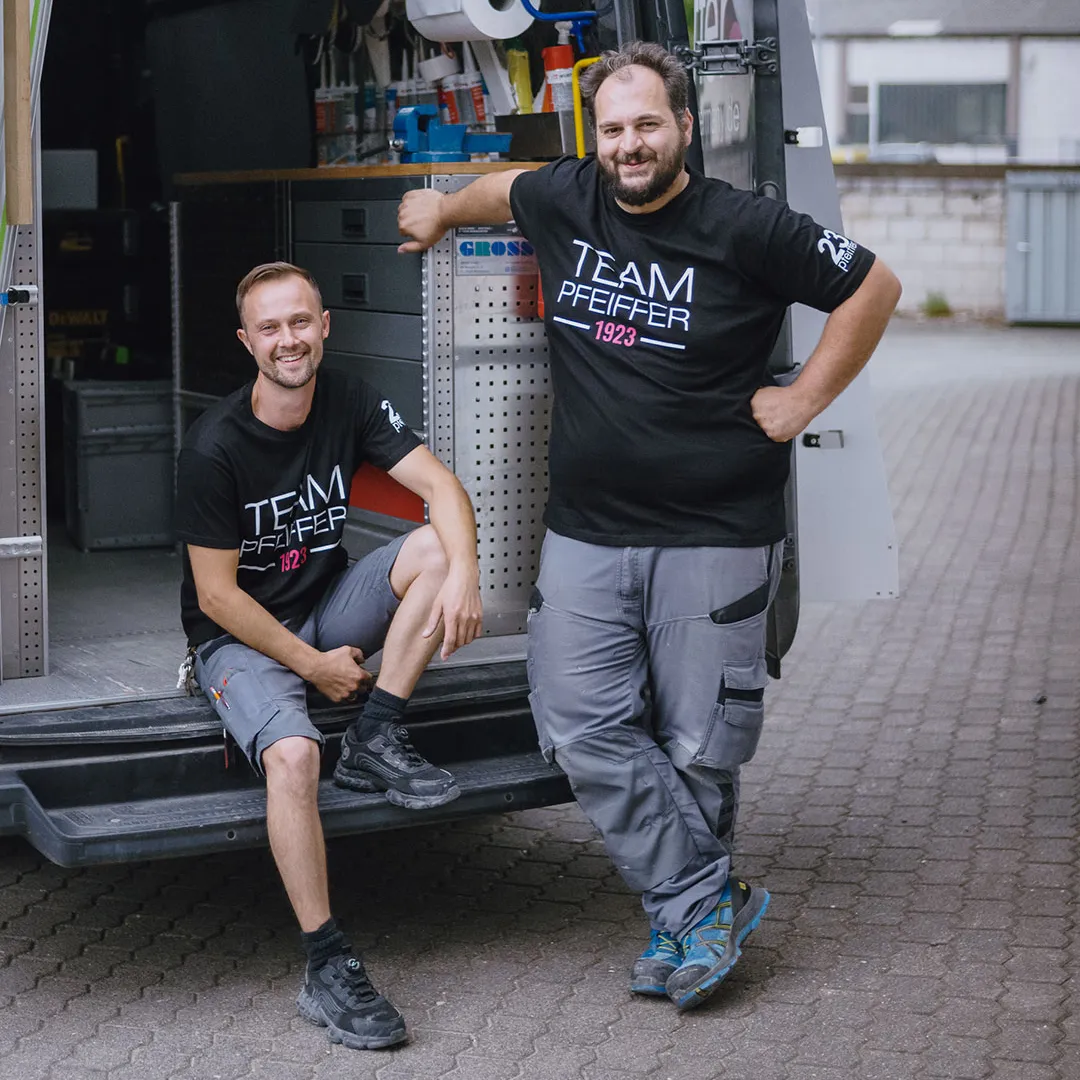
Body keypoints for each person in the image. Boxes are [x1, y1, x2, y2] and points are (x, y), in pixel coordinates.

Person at [396, 41, 901, 1011]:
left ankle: (686, 922)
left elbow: (871, 289)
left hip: (716, 532)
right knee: (580, 724)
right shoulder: (569, 195)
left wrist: (802, 404)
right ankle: (708, 898)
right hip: (587, 530)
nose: (630, 147)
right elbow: (505, 188)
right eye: (614, 129)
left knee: (700, 745)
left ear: (684, 128)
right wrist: (439, 206)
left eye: (647, 127)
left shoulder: (744, 226)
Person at [174, 261, 483, 1049]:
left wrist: (469, 582)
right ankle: (326, 963)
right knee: (294, 758)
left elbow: (443, 490)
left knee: (436, 552)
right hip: (238, 638)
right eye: (270, 328)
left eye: (300, 322)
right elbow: (215, 596)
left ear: (324, 326)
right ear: (248, 342)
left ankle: (378, 733)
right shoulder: (213, 445)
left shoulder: (346, 399)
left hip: (323, 608)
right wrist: (312, 670)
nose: (289, 340)